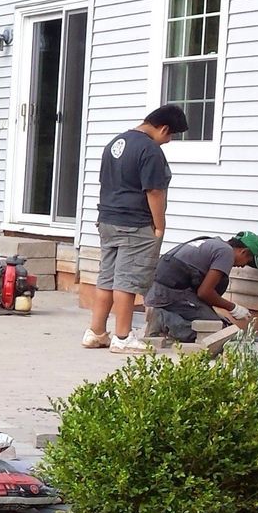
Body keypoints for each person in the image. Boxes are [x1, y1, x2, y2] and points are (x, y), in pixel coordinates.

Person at [86, 105, 185, 354]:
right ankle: (122, 336)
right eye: (170, 135)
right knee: (127, 281)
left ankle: (96, 332)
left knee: (107, 278)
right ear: (163, 128)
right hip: (135, 222)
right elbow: (154, 190)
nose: (169, 141)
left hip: (107, 218)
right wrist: (160, 225)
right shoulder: (149, 150)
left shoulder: (115, 143)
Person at [144, 231, 258, 340]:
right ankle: (163, 319)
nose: (243, 266)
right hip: (168, 292)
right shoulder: (226, 253)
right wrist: (233, 308)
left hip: (160, 288)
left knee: (221, 285)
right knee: (215, 331)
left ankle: (165, 314)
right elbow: (204, 292)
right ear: (244, 251)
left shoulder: (213, 242)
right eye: (247, 262)